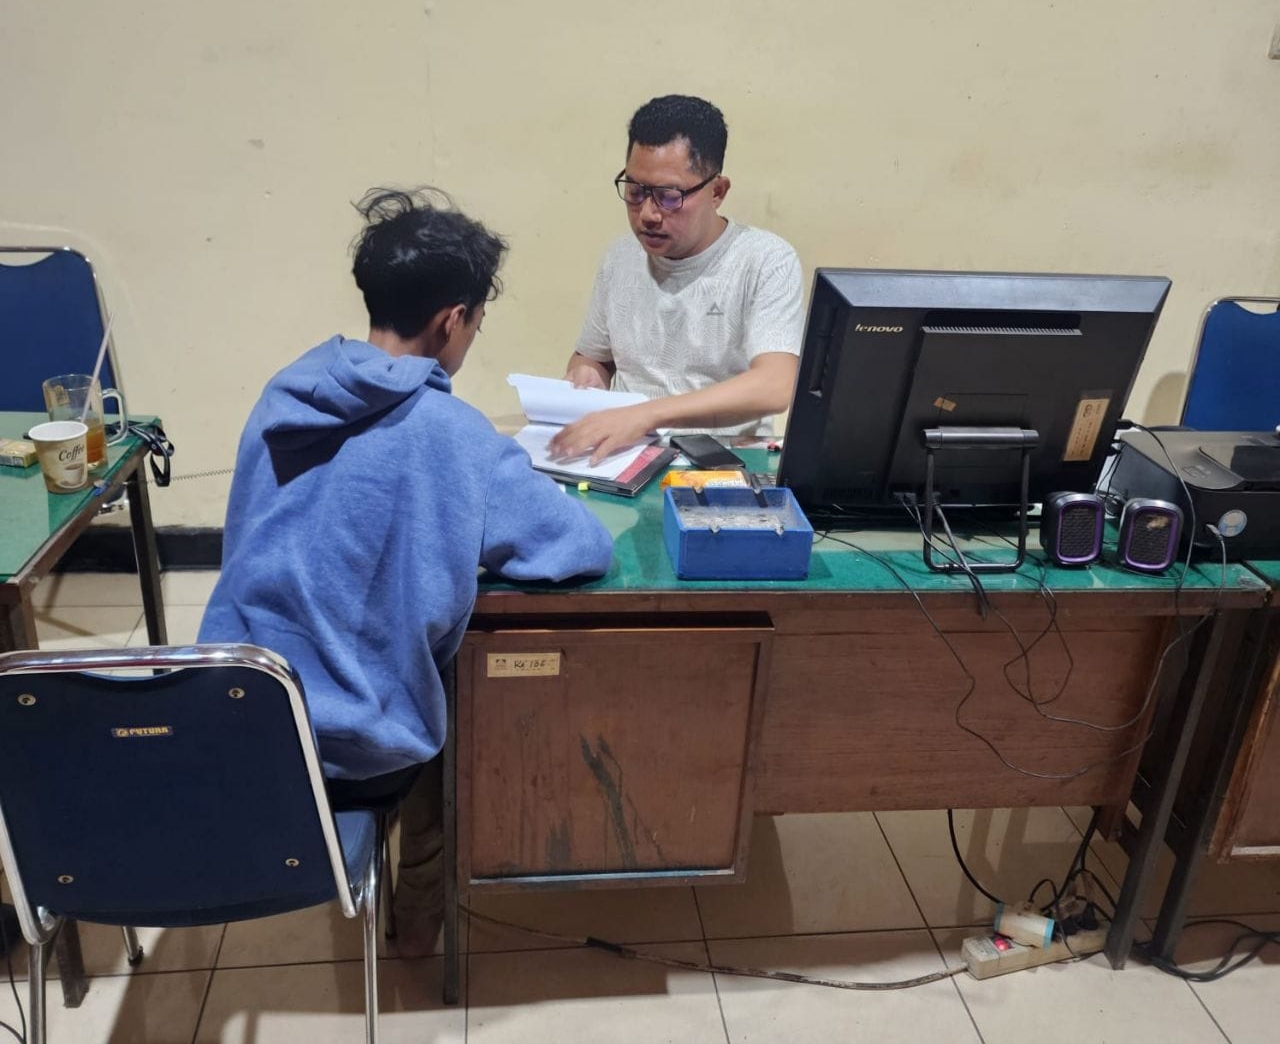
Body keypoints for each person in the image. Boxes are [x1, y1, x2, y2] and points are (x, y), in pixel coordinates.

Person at [199, 187, 613, 954]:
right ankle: (419, 920)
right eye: (476, 323)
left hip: (239, 711)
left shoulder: (283, 395)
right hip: (355, 746)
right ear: (452, 321)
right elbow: (581, 547)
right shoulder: (453, 434)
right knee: (464, 690)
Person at [551, 94, 804, 465]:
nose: (648, 214)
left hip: (726, 461)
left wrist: (646, 415)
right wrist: (587, 375)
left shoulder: (764, 260)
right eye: (636, 192)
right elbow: (593, 357)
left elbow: (775, 385)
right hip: (628, 458)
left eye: (669, 197)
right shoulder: (620, 257)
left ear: (717, 192)